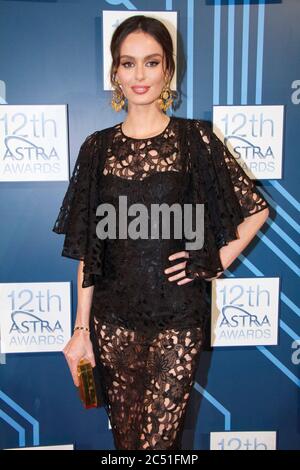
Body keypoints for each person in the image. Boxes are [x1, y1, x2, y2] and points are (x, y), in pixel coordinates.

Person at [52, 15, 270, 450]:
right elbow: (88, 251)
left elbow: (256, 211)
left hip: (177, 322)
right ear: (115, 72)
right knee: (130, 445)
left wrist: (213, 262)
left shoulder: (196, 140)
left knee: (159, 444)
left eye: (150, 63)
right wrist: (81, 329)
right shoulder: (96, 148)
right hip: (112, 324)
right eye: (128, 63)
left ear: (168, 69)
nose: (139, 75)